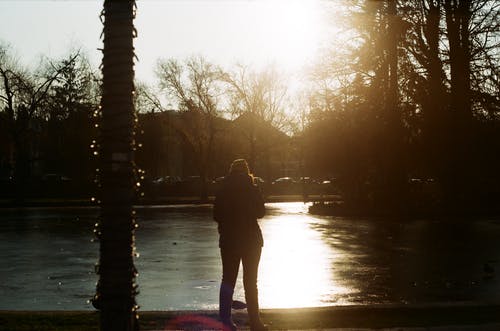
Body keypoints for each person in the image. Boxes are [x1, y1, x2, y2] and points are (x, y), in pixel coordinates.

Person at [213, 159, 268, 331]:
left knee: (227, 280)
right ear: (247, 171)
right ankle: (255, 322)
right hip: (251, 240)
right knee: (251, 282)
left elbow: (216, 215)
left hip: (229, 240)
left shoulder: (223, 189)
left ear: (230, 171)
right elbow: (261, 212)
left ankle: (225, 321)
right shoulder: (252, 188)